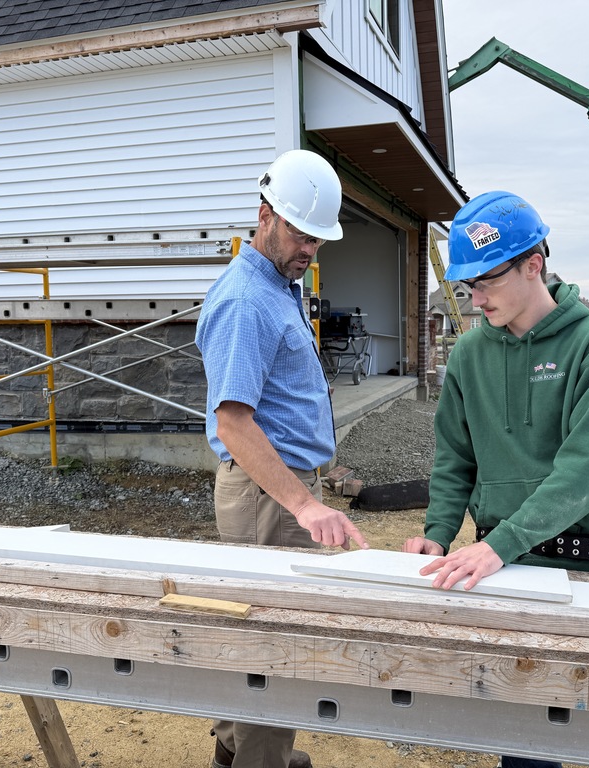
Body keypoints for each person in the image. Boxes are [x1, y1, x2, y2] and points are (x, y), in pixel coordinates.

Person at [403, 191, 589, 768]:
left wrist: (498, 544)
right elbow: (455, 457)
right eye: (468, 286)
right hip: (499, 564)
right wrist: (437, 532)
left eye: (487, 281)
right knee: (513, 726)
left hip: (576, 562)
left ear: (534, 263)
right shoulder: (469, 355)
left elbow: (586, 471)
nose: (475, 298)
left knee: (554, 726)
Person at [195, 148, 370, 768]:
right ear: (265, 213)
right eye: (302, 233)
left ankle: (236, 750)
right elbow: (233, 422)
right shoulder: (247, 299)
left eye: (319, 239)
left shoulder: (278, 284)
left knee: (255, 631)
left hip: (275, 487)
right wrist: (301, 502)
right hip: (266, 493)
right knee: (273, 644)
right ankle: (258, 760)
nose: (311, 250)